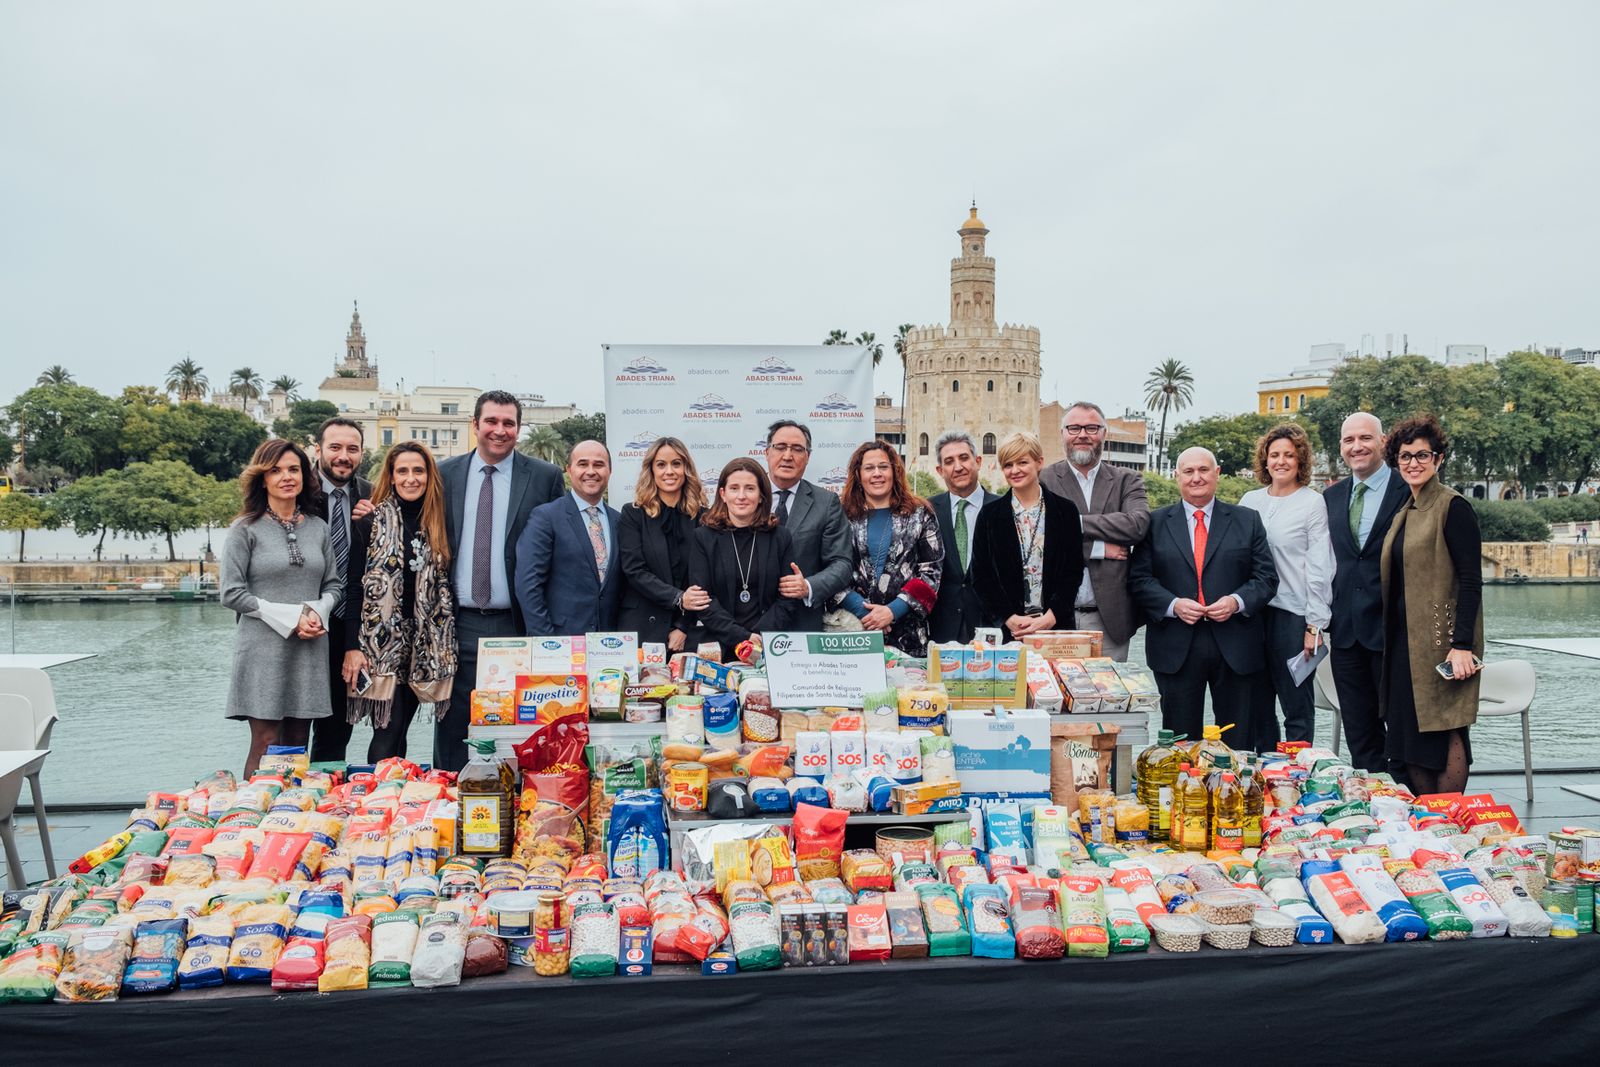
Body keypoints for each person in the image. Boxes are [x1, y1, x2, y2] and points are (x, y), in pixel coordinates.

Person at [436, 391, 564, 771]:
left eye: (508, 423)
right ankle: (450, 796)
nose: (499, 430)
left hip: (517, 622)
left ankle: (519, 806)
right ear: (474, 425)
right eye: (491, 421)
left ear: (519, 430)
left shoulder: (545, 477)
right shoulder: (444, 474)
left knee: (519, 722)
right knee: (453, 722)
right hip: (458, 621)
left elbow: (557, 548)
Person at [1128, 447, 1278, 742]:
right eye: (1188, 471)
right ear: (1177, 477)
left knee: (1239, 740)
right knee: (1181, 742)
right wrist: (1173, 604)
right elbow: (1139, 579)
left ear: (1217, 473)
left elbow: (1266, 578)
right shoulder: (1154, 523)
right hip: (1175, 644)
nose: (1196, 478)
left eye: (1203, 470)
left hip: (1236, 643)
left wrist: (1236, 601)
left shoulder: (1247, 520)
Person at [220, 439, 342, 778]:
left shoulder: (319, 528)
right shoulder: (245, 529)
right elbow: (231, 593)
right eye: (276, 470)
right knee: (266, 742)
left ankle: (291, 821)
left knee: (298, 743)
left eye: (293, 469)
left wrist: (317, 612)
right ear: (262, 478)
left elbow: (333, 585)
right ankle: (252, 820)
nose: (286, 477)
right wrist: (292, 618)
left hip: (310, 647)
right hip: (263, 649)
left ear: (304, 475)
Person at [1380, 415, 1483, 794]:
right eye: (1405, 456)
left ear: (1439, 460)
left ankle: (1448, 819)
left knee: (1446, 727)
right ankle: (1428, 818)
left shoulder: (1452, 507)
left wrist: (1462, 645)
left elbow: (1471, 580)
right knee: (1411, 737)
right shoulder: (1406, 508)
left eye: (1423, 455)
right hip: (1407, 645)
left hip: (1443, 646)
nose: (1413, 463)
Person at [339, 443, 457, 763]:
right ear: (391, 477)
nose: (410, 478)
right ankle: (376, 803)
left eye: (418, 471)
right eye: (402, 471)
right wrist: (352, 647)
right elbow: (353, 588)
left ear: (429, 476)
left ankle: (397, 799)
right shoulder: (370, 521)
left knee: (401, 728)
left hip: (424, 644)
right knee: (387, 729)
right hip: (380, 646)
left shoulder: (439, 524)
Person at [1238, 423, 1336, 750]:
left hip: (1293, 616)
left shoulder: (1311, 503)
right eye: (1274, 454)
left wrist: (1315, 625)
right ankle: (1266, 773)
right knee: (1258, 703)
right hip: (1252, 616)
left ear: (1300, 461)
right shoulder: (1249, 501)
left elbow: (1321, 567)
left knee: (1296, 704)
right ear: (1265, 460)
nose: (1281, 461)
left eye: (1289, 455)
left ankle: (1298, 771)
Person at [1323, 411, 1410, 774]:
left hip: (1395, 631)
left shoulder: (1408, 490)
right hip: (1345, 634)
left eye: (1365, 438)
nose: (1356, 447)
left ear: (1383, 441)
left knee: (1404, 734)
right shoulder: (1330, 497)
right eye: (1348, 440)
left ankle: (1414, 814)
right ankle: (1372, 811)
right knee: (1360, 734)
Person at [1039, 402, 1151, 660]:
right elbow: (1040, 540)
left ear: (1104, 433)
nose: (1082, 434)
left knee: (1110, 696)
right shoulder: (1044, 480)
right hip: (1053, 617)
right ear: (1063, 433)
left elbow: (1137, 525)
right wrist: (1099, 548)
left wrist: (1072, 524)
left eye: (1091, 427)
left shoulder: (1127, 479)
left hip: (1110, 620)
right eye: (1074, 428)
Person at [970, 432, 1086, 642]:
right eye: (1008, 465)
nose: (1015, 470)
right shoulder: (989, 515)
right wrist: (1008, 617)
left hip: (1054, 628)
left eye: (1022, 462)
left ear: (1039, 462)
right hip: (1006, 631)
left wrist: (1050, 618)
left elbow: (1073, 570)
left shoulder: (1065, 511)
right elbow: (980, 576)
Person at [832, 441, 943, 655]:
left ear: (895, 471)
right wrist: (867, 614)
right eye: (869, 468)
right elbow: (829, 569)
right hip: (852, 632)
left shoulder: (920, 513)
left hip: (908, 635)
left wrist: (892, 612)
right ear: (858, 474)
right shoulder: (840, 515)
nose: (877, 474)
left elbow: (931, 573)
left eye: (883, 467)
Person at [309, 417, 374, 765]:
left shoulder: (371, 494)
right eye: (335, 447)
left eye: (352, 449)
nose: (343, 456)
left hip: (348, 627)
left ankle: (324, 804)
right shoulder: (297, 492)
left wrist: (375, 519)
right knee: (287, 731)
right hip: (300, 625)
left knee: (336, 730)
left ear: (361, 453)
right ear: (318, 450)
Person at [687, 457, 799, 659]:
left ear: (761, 495)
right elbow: (703, 601)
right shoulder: (703, 537)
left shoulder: (780, 537)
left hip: (769, 645)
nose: (741, 496)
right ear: (723, 493)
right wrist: (742, 637)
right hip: (719, 647)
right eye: (734, 488)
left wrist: (758, 637)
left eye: (749, 488)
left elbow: (788, 598)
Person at [515, 440, 625, 636]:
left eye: (599, 464)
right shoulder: (546, 517)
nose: (591, 471)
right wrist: (546, 642)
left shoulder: (620, 521)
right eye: (583, 464)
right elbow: (528, 585)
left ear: (610, 470)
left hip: (610, 644)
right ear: (569, 470)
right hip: (560, 642)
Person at [617, 436, 711, 649]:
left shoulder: (703, 516)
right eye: (661, 464)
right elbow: (634, 571)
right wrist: (678, 598)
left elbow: (703, 578)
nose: (669, 471)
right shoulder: (633, 514)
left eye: (676, 464)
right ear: (651, 470)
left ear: (686, 469)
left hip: (687, 630)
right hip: (642, 625)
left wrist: (683, 626)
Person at [763, 420, 852, 630]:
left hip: (802, 624)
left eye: (797, 449)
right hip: (748, 624)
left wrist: (808, 586)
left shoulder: (826, 502)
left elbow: (841, 563)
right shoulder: (745, 497)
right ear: (767, 452)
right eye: (780, 447)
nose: (787, 456)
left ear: (808, 457)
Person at [928, 430, 996, 643]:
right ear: (940, 470)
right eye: (949, 461)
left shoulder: (1002, 508)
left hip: (992, 628)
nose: (958, 467)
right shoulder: (927, 511)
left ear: (978, 461)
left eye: (964, 458)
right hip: (942, 630)